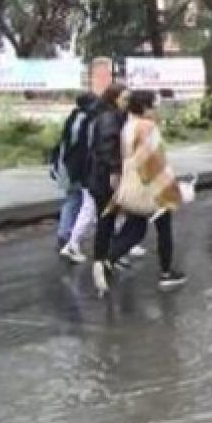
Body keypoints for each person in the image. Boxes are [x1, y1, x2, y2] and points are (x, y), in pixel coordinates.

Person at [97, 90, 188, 292]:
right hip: (152, 186)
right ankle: (166, 273)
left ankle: (108, 260)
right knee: (164, 228)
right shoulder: (147, 127)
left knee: (135, 228)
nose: (156, 110)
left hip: (132, 184)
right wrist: (170, 187)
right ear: (145, 107)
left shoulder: (129, 126)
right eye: (153, 106)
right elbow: (154, 160)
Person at [88, 83, 129, 291]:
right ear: (114, 98)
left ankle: (105, 257)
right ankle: (101, 259)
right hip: (104, 178)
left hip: (101, 177)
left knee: (108, 219)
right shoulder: (108, 118)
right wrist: (114, 171)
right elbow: (107, 146)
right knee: (105, 219)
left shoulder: (110, 116)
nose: (127, 102)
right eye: (125, 98)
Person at [52, 92, 97, 261]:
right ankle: (65, 236)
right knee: (74, 199)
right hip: (73, 168)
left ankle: (66, 235)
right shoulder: (82, 120)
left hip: (69, 166)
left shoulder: (76, 117)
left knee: (75, 200)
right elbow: (78, 147)